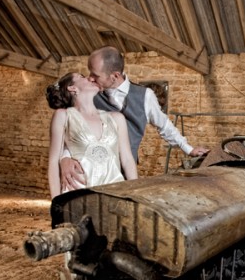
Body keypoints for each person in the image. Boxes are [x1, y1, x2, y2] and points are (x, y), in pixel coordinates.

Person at [60, 46, 209, 190]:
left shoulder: (145, 96)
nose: (90, 78)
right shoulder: (90, 95)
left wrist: (189, 149)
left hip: (124, 173)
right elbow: (72, 129)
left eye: (95, 75)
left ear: (115, 76)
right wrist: (65, 158)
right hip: (90, 173)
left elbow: (164, 126)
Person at [47, 71, 138, 198]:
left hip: (114, 192)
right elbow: (53, 161)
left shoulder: (116, 118)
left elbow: (127, 160)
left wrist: (135, 194)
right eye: (82, 77)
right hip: (78, 194)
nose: (90, 78)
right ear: (72, 88)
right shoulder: (64, 115)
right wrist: (55, 203)